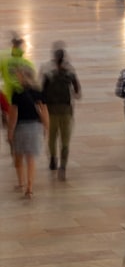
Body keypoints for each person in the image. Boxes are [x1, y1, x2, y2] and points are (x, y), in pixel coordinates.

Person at [40, 45, 81, 180]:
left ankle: (53, 158)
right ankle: (63, 166)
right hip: (66, 111)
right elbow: (77, 92)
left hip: (51, 111)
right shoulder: (70, 72)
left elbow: (42, 93)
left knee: (51, 138)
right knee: (65, 141)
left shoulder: (48, 73)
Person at [7, 66, 48, 199]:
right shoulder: (38, 92)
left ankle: (21, 183)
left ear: (23, 77)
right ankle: (29, 188)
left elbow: (13, 114)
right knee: (31, 159)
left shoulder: (17, 93)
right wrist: (47, 127)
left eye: (19, 76)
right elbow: (44, 111)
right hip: (35, 127)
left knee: (18, 157)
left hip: (21, 128)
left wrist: (10, 131)